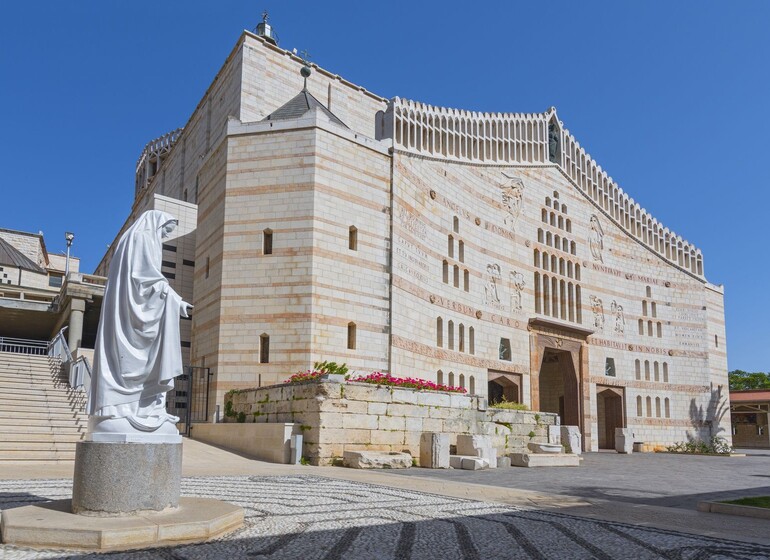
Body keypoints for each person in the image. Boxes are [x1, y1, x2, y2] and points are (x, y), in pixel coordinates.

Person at [87, 210, 191, 436]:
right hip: (133, 313)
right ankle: (124, 408)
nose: (165, 235)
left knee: (138, 362)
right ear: (156, 224)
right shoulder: (142, 237)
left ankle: (142, 408)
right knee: (135, 362)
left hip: (127, 310)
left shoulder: (130, 238)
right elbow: (145, 279)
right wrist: (175, 300)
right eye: (166, 230)